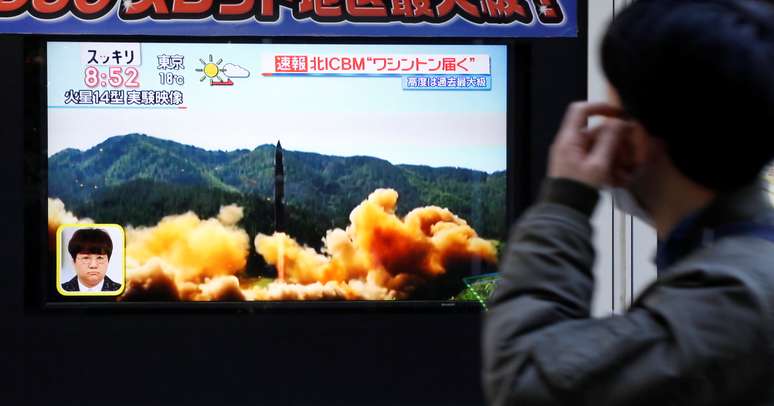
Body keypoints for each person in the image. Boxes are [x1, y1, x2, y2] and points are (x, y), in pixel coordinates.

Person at [482, 0, 774, 405]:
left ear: (639, 138)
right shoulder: (739, 263)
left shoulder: (735, 297)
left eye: (612, 110)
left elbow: (526, 377)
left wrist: (565, 198)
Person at [61, 228, 122, 292]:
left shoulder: (123, 292)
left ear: (108, 261)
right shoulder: (61, 291)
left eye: (100, 258)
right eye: (86, 258)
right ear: (74, 262)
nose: (93, 265)